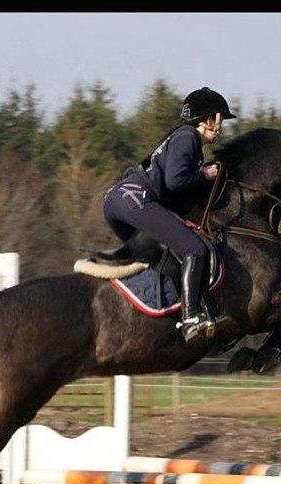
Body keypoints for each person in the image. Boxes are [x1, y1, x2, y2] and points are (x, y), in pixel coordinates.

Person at [102, 87, 237, 343]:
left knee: (168, 255)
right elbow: (176, 182)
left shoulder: (180, 137)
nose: (221, 127)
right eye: (220, 119)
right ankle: (190, 318)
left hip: (116, 201)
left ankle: (173, 317)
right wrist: (205, 175)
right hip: (135, 200)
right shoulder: (188, 137)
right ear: (208, 118)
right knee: (195, 249)